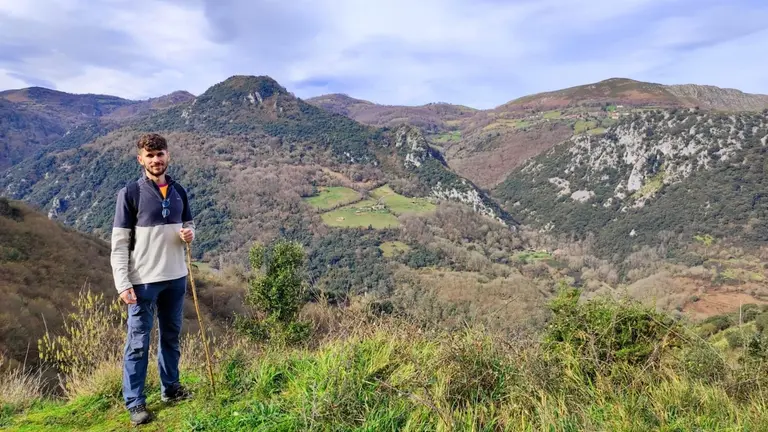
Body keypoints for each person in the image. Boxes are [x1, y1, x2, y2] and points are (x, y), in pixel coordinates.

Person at [110, 133, 195, 426]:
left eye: (160, 154)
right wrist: (123, 283)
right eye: (150, 155)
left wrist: (190, 234)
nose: (156, 160)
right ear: (140, 159)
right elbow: (119, 244)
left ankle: (171, 389)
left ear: (167, 156)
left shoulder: (179, 191)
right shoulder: (130, 194)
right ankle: (135, 403)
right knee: (137, 343)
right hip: (143, 281)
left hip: (176, 277)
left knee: (171, 338)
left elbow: (189, 225)